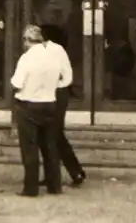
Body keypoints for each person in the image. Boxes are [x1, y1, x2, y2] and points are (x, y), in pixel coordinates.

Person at [9, 25, 64, 197]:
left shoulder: (26, 59)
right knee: (50, 146)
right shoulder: (53, 57)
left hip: (28, 104)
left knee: (30, 147)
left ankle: (31, 187)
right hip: (49, 103)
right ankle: (54, 185)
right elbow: (60, 79)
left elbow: (16, 83)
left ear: (26, 40)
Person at [39, 21, 86, 187]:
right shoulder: (42, 50)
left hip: (57, 93)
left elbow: (66, 76)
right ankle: (68, 172)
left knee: (53, 134)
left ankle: (72, 172)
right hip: (47, 93)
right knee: (51, 135)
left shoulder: (56, 51)